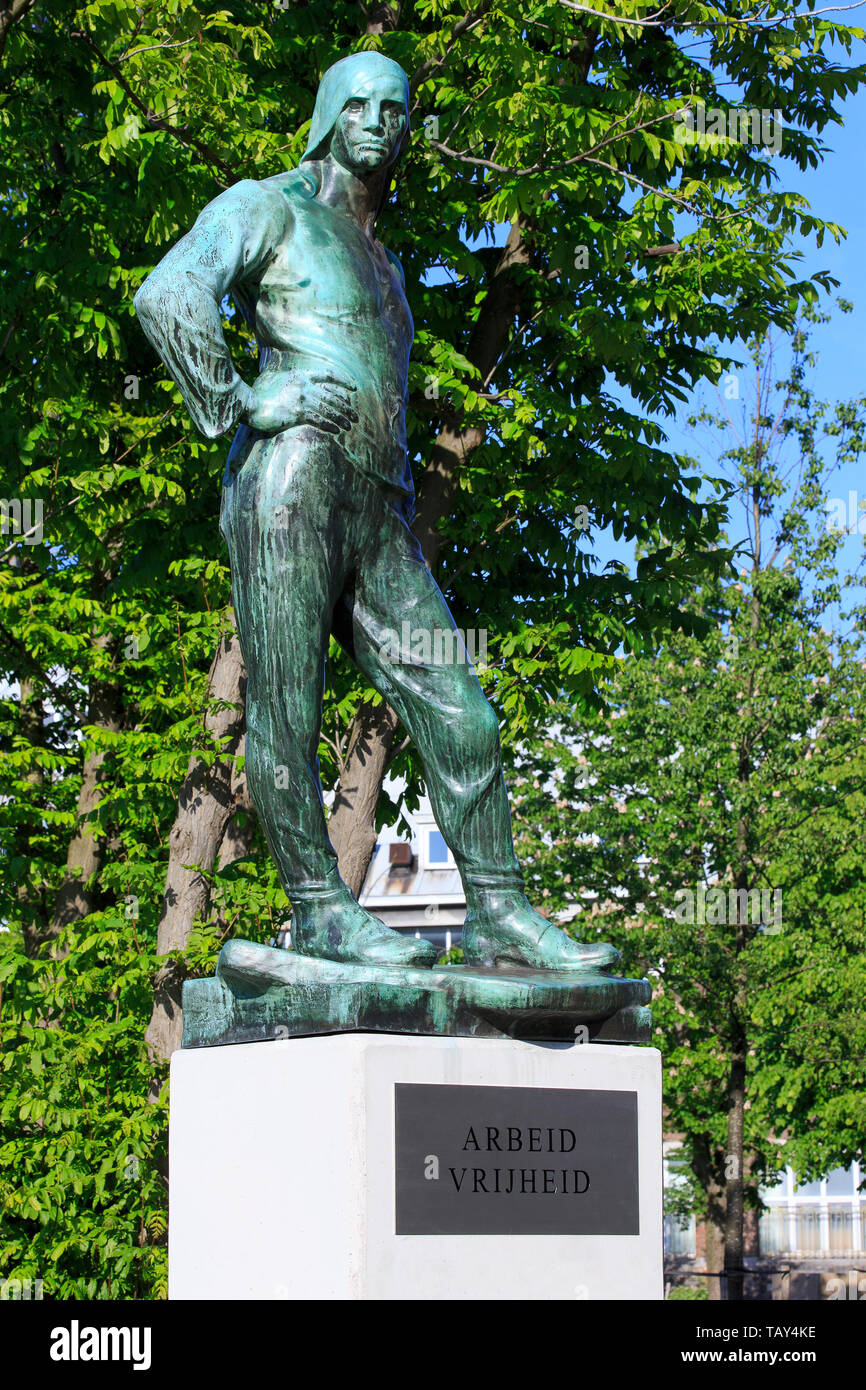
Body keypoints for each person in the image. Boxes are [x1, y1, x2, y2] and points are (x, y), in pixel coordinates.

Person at [135, 52, 618, 974]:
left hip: (376, 502)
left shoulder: (384, 257)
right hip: (290, 477)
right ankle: (320, 910)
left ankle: (500, 916)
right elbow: (169, 294)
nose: (377, 121)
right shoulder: (267, 204)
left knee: (463, 711)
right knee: (287, 705)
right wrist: (239, 399)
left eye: (394, 108)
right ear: (327, 113)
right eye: (356, 104)